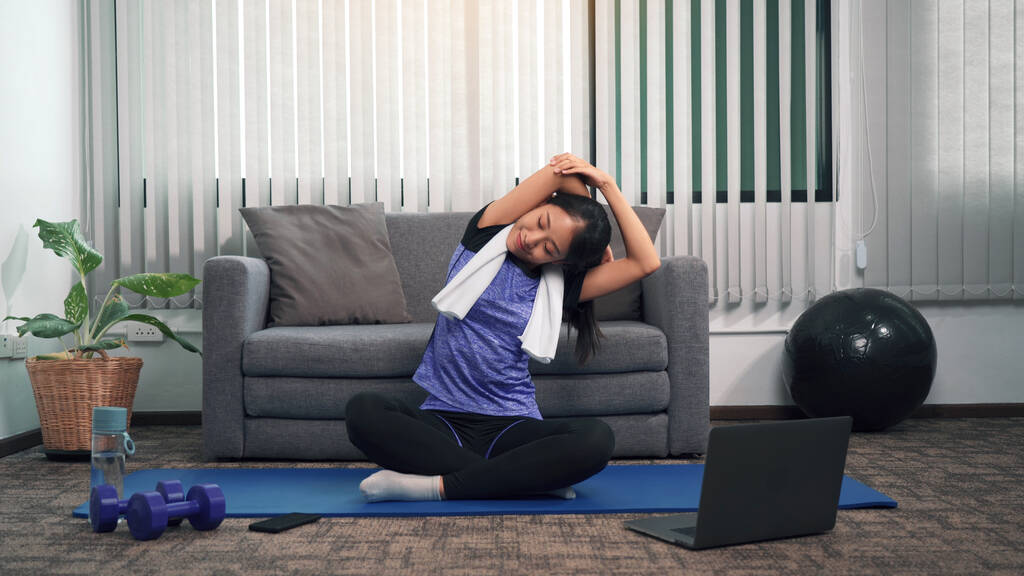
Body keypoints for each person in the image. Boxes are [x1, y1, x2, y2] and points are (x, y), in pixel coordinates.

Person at [346, 152, 663, 501]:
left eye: (549, 247)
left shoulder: (559, 288)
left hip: (510, 424)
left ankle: (435, 487)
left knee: (596, 439)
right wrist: (592, 232)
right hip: (442, 420)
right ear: (538, 205)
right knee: (364, 410)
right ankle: (521, 478)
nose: (532, 239)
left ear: (559, 261)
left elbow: (645, 262)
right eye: (541, 221)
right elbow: (559, 177)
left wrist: (608, 186)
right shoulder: (484, 236)